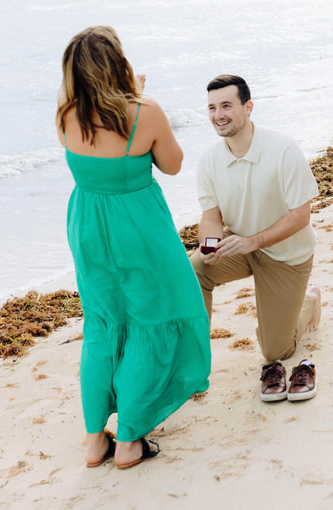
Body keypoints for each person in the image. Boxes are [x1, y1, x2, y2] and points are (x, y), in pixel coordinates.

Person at [56, 26, 211, 469]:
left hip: (88, 228)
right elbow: (173, 164)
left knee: (103, 325)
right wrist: (139, 99)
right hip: (139, 229)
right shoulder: (144, 112)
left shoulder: (66, 114)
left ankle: (93, 442)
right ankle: (128, 440)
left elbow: (90, 159)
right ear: (117, 63)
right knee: (152, 317)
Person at [190, 74, 322, 403]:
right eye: (211, 108)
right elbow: (210, 218)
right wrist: (209, 246)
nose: (218, 115)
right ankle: (194, 364)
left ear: (248, 107)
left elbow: (301, 214)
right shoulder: (208, 161)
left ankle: (310, 302)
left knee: (277, 350)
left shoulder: (282, 149)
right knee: (192, 270)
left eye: (226, 106)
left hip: (286, 255)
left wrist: (253, 242)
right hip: (240, 246)